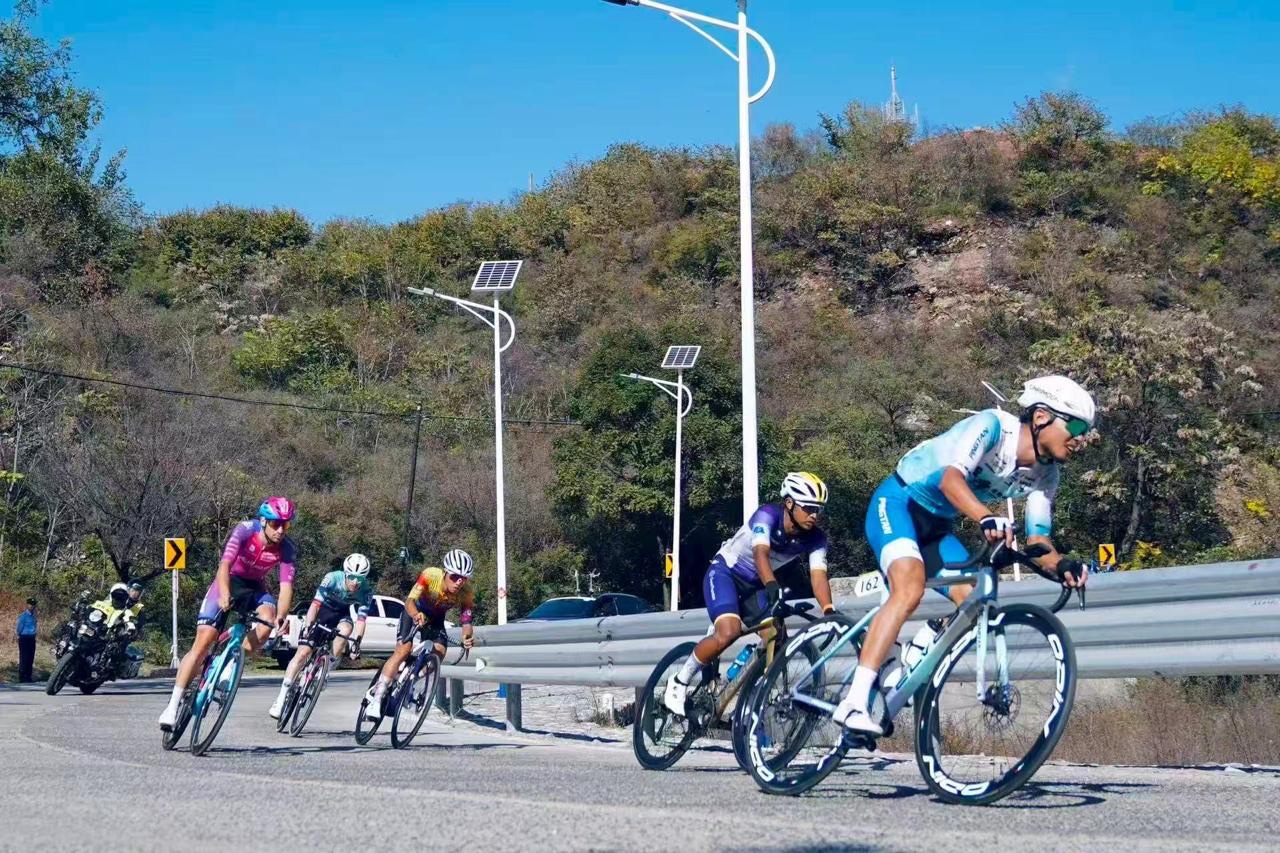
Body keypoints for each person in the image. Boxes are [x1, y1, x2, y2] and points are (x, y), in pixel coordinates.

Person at [832, 375, 1094, 734]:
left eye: (1086, 431)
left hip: (937, 527)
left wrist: (1061, 564)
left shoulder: (1046, 477)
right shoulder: (992, 427)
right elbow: (950, 480)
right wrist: (986, 517)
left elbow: (1038, 541)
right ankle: (854, 702)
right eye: (1076, 426)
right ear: (1040, 417)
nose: (1081, 438)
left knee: (974, 604)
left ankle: (919, 644)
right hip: (898, 503)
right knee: (910, 587)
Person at [664, 472, 837, 716]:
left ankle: (752, 701)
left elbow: (818, 575)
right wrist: (772, 586)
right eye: (808, 508)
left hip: (755, 585)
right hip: (726, 573)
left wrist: (828, 610)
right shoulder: (767, 515)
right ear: (789, 503)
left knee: (776, 637)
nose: (814, 515)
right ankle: (679, 681)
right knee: (729, 631)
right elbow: (760, 554)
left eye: (818, 509)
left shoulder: (816, 538)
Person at [158, 497, 297, 729]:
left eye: (286, 524)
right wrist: (224, 594)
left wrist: (282, 615)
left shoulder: (287, 548)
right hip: (229, 581)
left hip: (255, 588)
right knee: (203, 643)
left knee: (267, 623)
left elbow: (286, 587)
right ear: (264, 521)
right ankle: (172, 706)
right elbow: (224, 565)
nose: (281, 530)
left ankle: (232, 661)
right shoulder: (245, 530)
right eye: (276, 524)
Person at [363, 549, 475, 718]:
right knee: (403, 650)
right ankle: (376, 699)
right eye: (454, 577)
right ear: (445, 573)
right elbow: (409, 601)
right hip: (413, 612)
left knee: (439, 653)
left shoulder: (466, 593)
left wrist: (466, 636)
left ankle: (410, 681)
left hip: (435, 620)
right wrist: (416, 615)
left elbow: (466, 621)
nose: (459, 582)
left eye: (463, 578)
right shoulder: (430, 575)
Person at [268, 553, 373, 719]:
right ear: (345, 573)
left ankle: (326, 668)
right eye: (352, 577)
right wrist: (308, 626)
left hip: (341, 614)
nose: (355, 582)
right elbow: (315, 605)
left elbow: (361, 620)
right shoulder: (332, 578)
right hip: (321, 611)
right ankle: (280, 699)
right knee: (302, 653)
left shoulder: (366, 591)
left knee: (345, 630)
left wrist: (357, 642)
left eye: (360, 578)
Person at [16, 598, 37, 683]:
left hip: (32, 638)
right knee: (24, 658)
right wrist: (19, 636)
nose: (32, 606)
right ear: (27, 605)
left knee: (31, 657)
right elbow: (19, 628)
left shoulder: (34, 616)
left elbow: (35, 626)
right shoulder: (23, 616)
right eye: (30, 604)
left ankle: (28, 677)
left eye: (33, 604)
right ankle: (22, 677)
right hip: (24, 638)